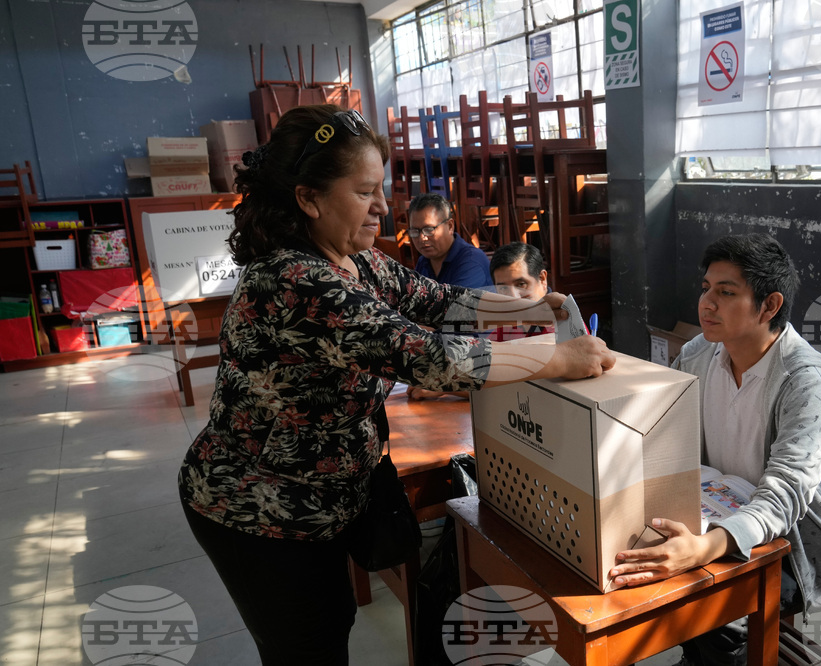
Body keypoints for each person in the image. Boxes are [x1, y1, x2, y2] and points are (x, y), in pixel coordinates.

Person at [176, 104, 615, 665]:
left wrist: (528, 308)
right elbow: (429, 357)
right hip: (260, 511)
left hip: (320, 496)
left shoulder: (356, 261)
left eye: (381, 188)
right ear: (308, 198)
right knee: (308, 645)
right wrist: (552, 360)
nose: (384, 207)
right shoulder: (293, 281)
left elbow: (438, 300)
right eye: (365, 192)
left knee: (331, 621)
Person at [610, 234, 821, 666]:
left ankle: (716, 652)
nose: (707, 303)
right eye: (706, 288)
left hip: (788, 548)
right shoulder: (700, 353)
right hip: (710, 509)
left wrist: (704, 548)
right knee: (631, 563)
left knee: (691, 600)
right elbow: (660, 422)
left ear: (769, 306)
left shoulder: (804, 383)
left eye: (726, 292)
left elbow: (787, 493)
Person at [407, 241, 554, 400]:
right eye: (503, 288)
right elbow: (484, 369)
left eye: (521, 284)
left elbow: (521, 387)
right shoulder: (508, 326)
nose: (513, 297)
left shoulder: (558, 327)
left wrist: (446, 387)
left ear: (542, 279)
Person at [408, 192, 492, 288]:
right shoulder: (424, 261)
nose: (422, 238)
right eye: (415, 231)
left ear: (450, 226)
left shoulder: (471, 262)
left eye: (429, 229)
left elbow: (456, 302)